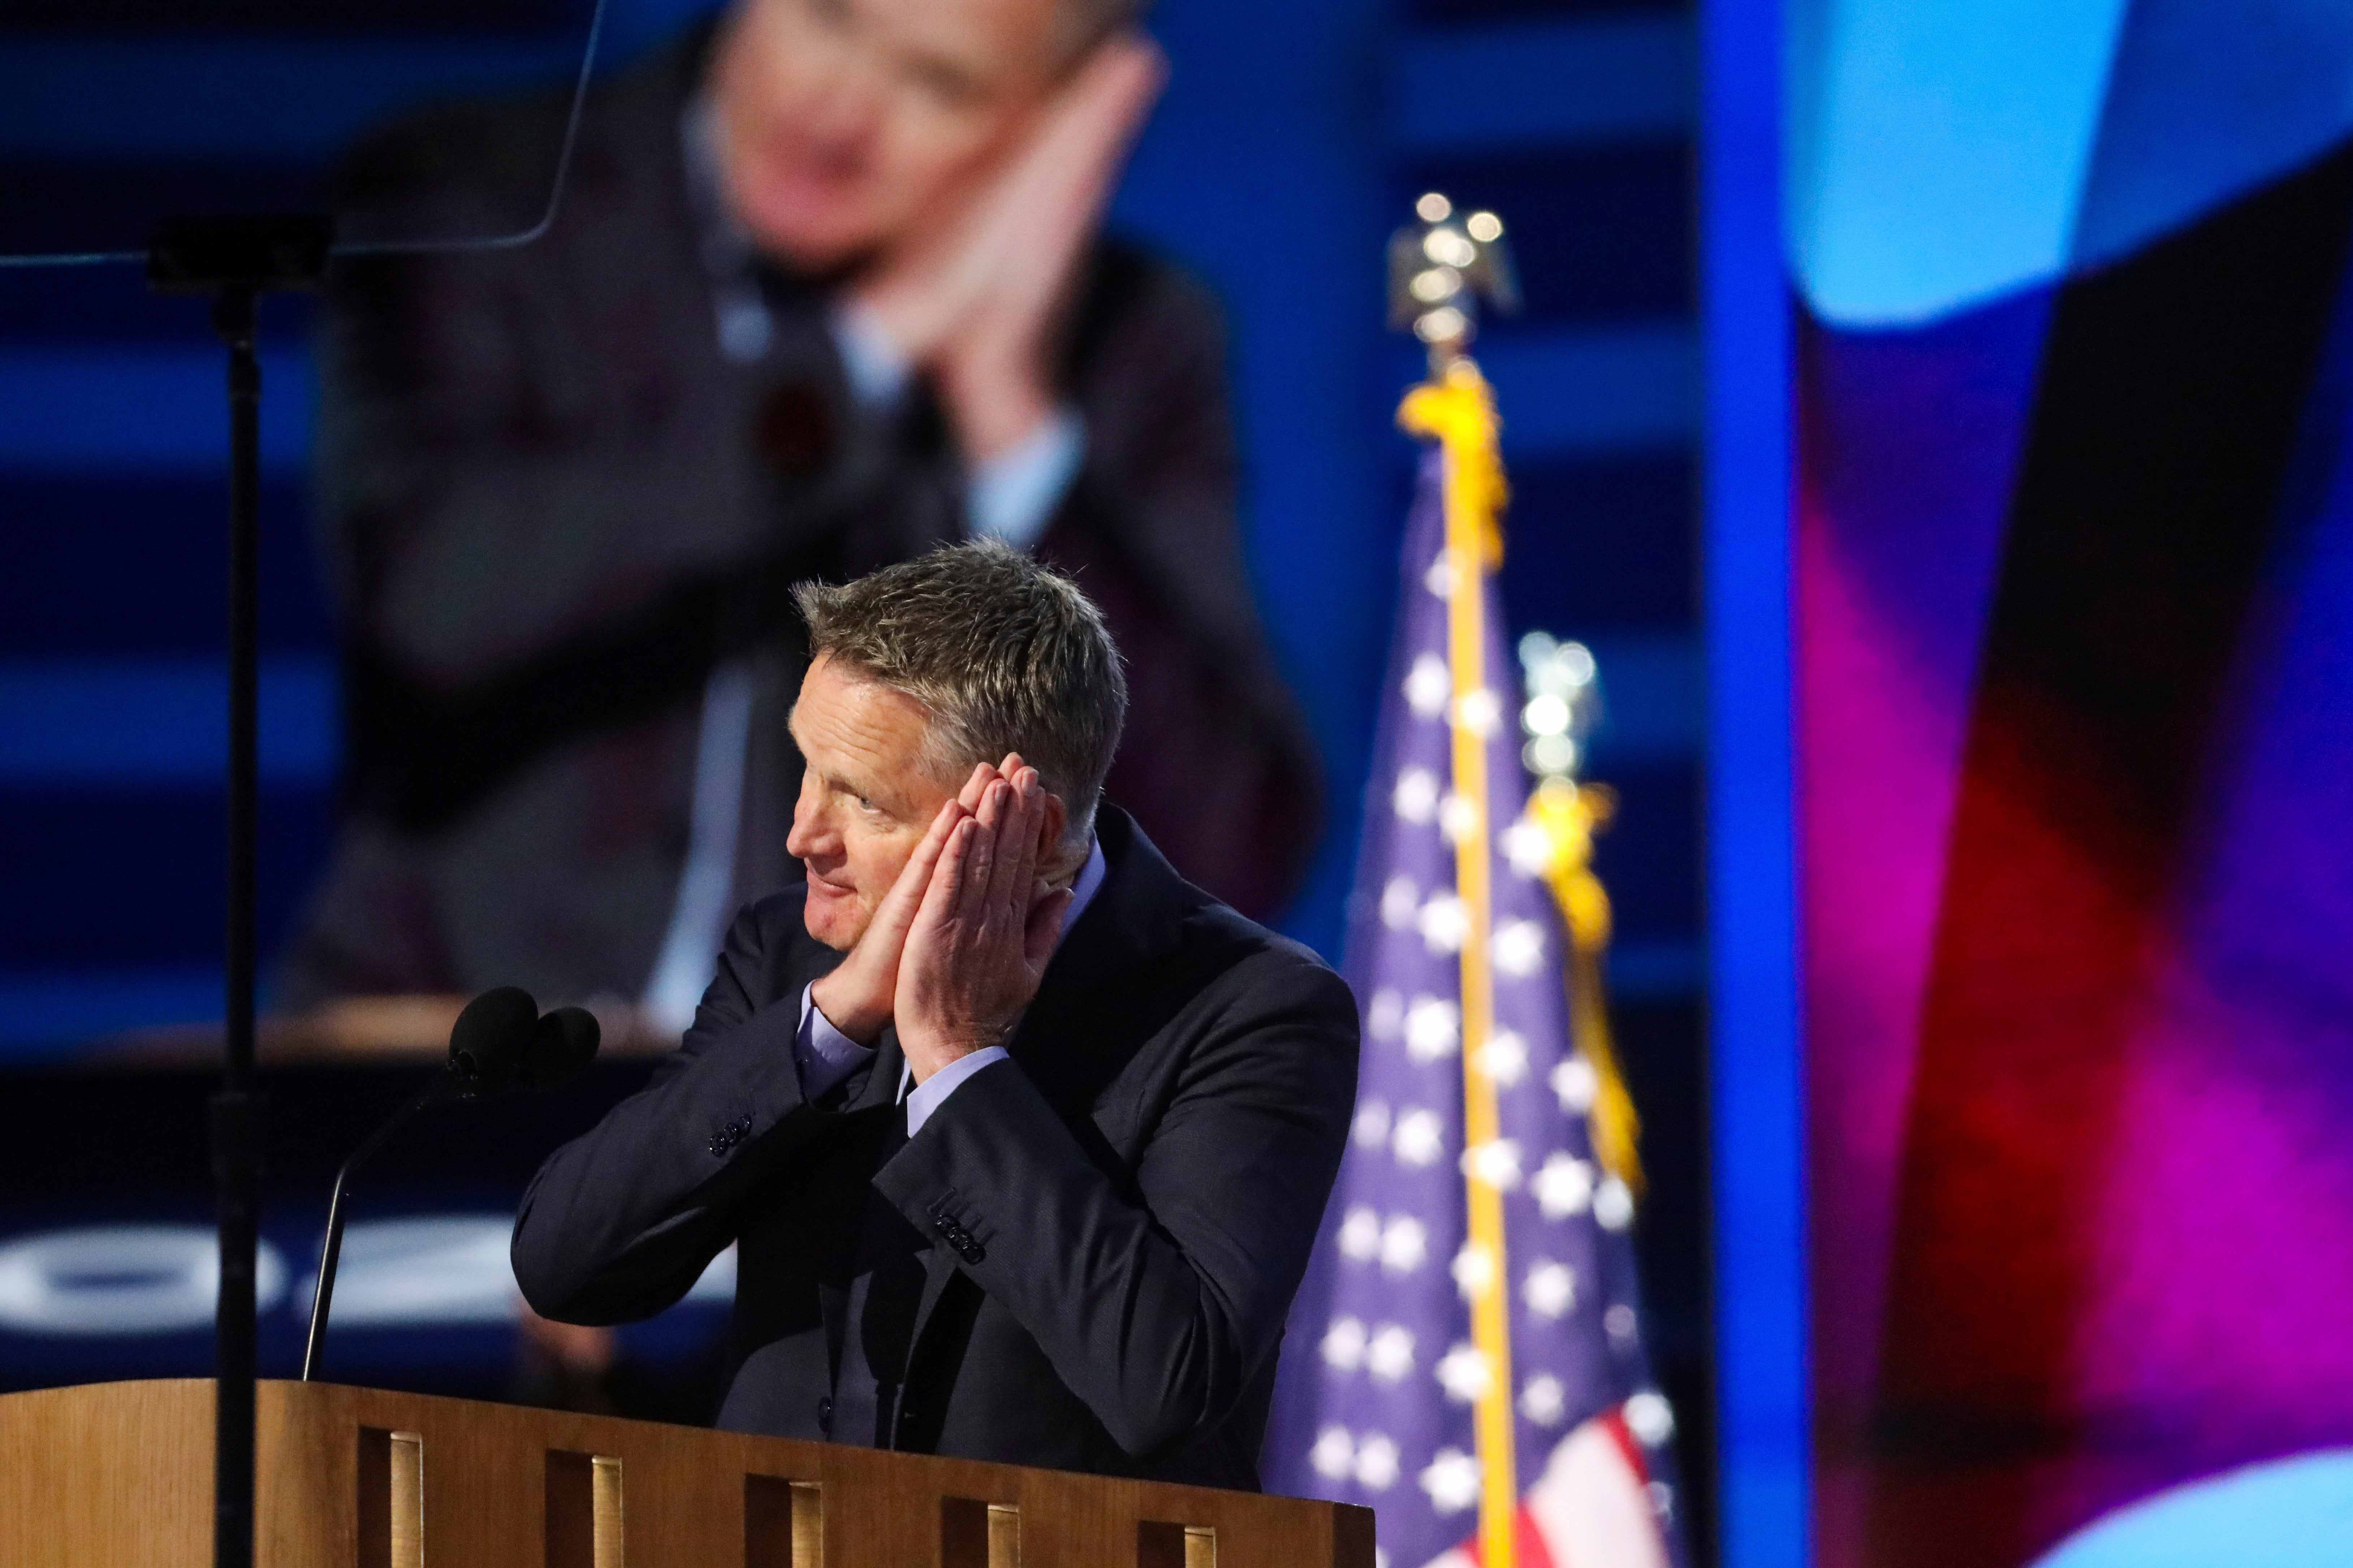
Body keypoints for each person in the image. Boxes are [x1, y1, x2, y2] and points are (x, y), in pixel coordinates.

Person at [282, 0, 1321, 1021]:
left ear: (1055, 117)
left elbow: (1226, 849)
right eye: (827, 15)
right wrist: (864, 355)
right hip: (453, 1077)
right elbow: (432, 600)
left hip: (872, 1122)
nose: (837, 108)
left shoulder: (1131, 339)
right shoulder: (482, 195)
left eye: (936, 82)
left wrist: (1011, 425)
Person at [510, 543, 1358, 1485]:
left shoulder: (1250, 1010)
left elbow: (1166, 1383)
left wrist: (957, 1059)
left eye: (861, 799)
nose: (801, 834)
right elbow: (564, 1267)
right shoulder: (790, 960)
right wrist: (829, 1027)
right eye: (805, 766)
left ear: (1022, 829)